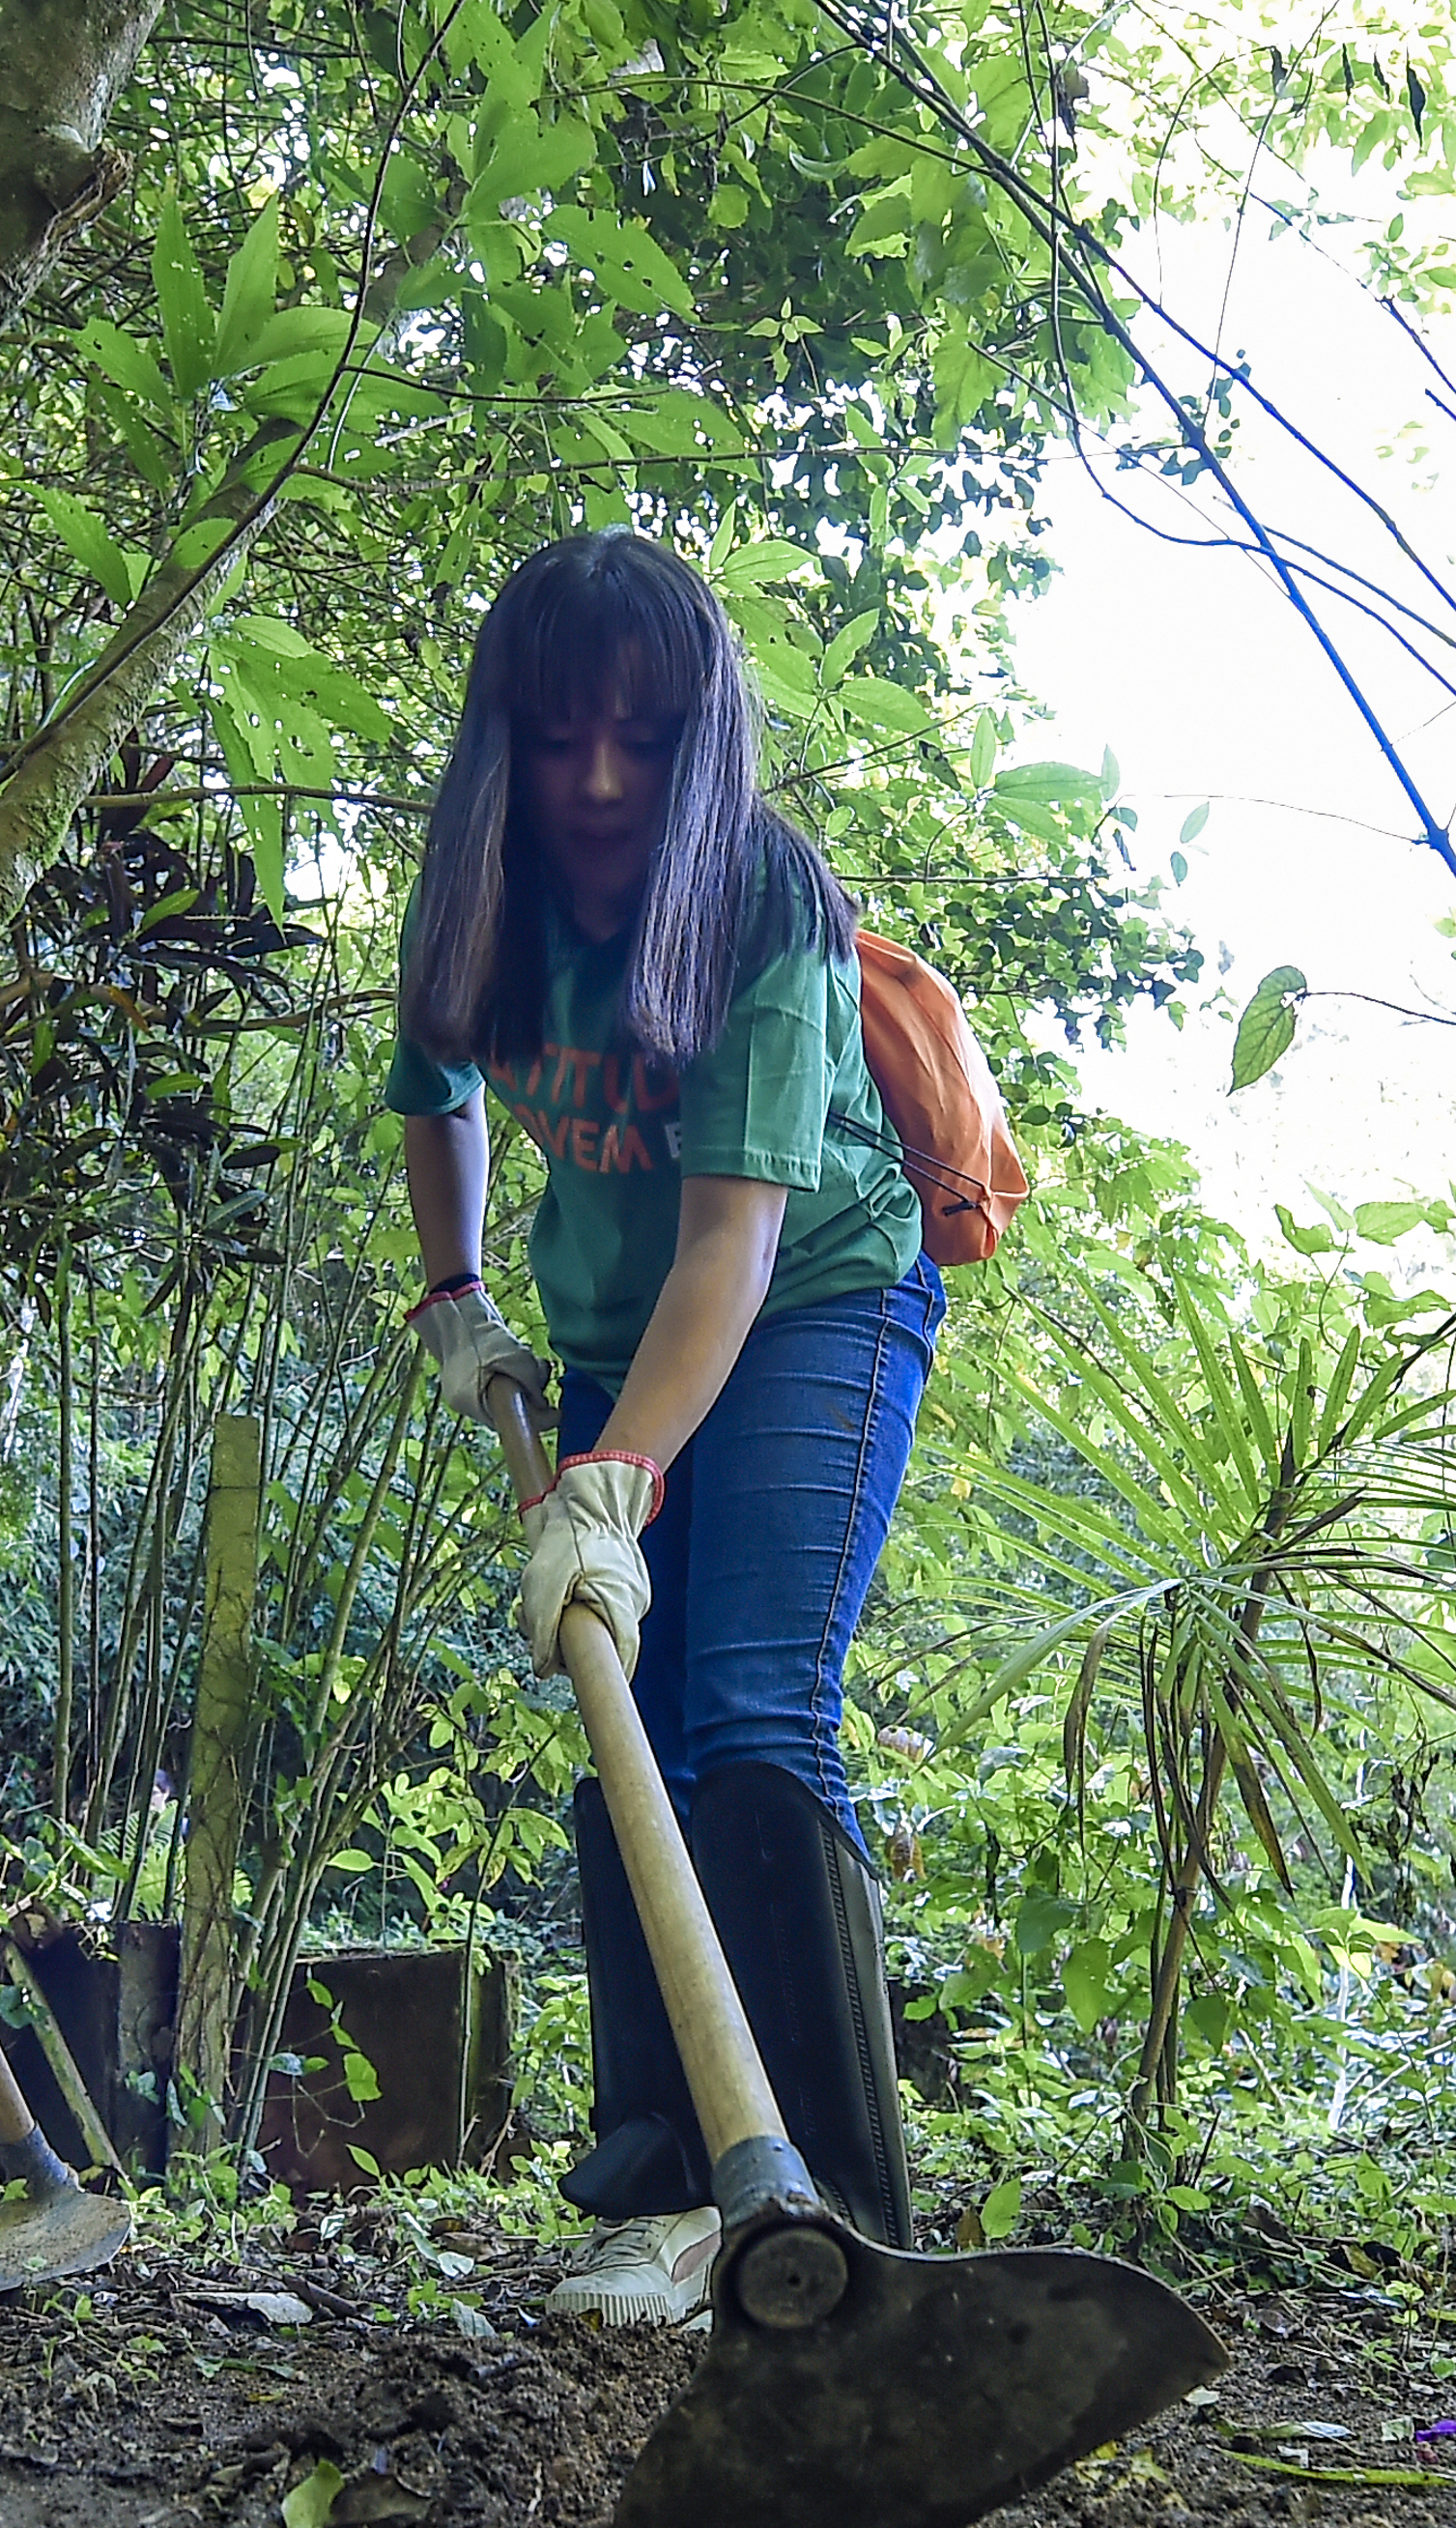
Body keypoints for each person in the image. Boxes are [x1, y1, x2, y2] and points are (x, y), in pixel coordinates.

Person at [382, 530, 934, 2327]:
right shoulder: (479, 891)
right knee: (635, 1736)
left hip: (818, 1299)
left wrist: (615, 1480)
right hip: (622, 1333)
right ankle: (673, 2172)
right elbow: (441, 1080)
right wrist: (458, 1296)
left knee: (751, 1712)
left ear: (698, 738)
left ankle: (839, 2204)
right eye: (558, 737)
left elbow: (738, 1240)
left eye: (641, 734)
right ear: (504, 748)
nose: (601, 779)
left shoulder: (762, 893)